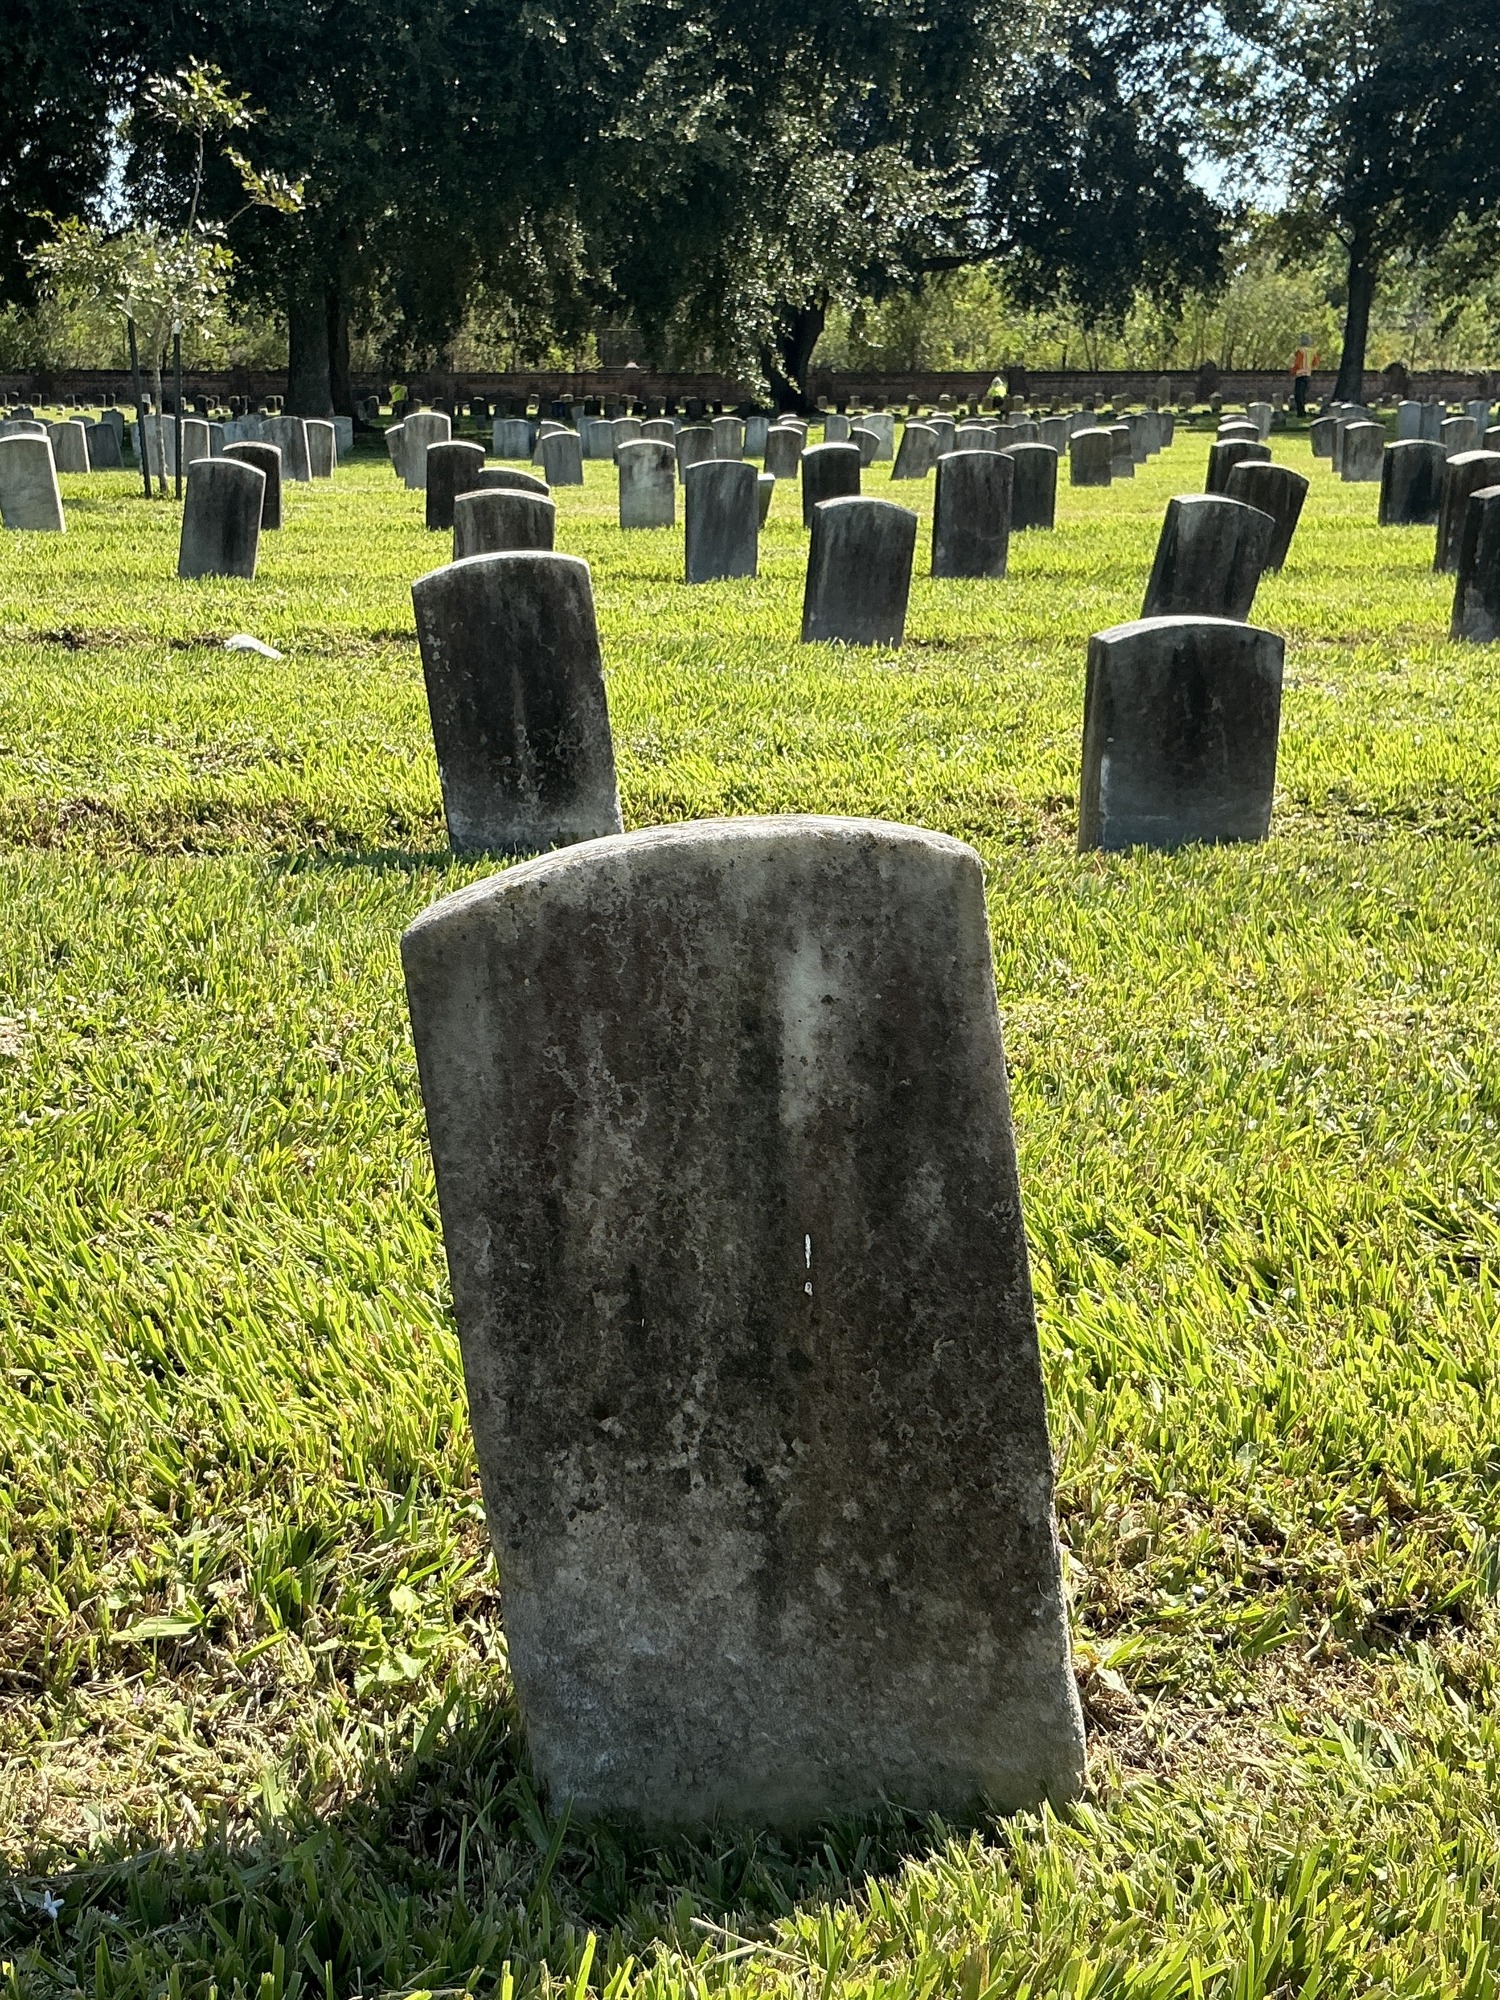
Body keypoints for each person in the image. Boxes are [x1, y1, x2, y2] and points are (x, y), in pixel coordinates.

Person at [1291, 335, 1318, 416]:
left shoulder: (1300, 351)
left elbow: (1297, 363)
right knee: (1303, 395)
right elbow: (1315, 363)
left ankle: (1301, 413)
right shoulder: (1313, 352)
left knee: (1298, 395)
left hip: (1300, 375)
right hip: (1308, 375)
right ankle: (1302, 412)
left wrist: (1292, 371)